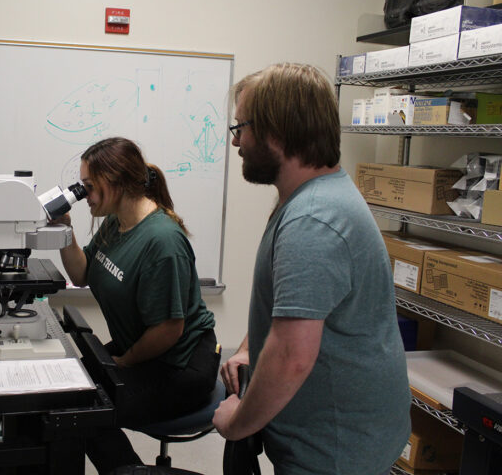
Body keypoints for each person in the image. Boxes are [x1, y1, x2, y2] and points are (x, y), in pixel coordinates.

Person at [213, 63, 411, 475]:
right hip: (336, 434)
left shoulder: (313, 221)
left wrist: (237, 422)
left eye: (241, 128)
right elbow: (293, 301)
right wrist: (251, 346)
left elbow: (291, 358)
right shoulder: (311, 197)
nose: (237, 142)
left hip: (334, 450)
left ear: (277, 133)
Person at [55, 137, 219, 474]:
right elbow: (81, 273)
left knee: (81, 411)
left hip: (180, 364)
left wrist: (124, 362)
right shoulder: (116, 222)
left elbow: (169, 329)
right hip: (144, 349)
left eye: (88, 186)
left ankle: (129, 471)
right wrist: (64, 230)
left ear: (114, 182)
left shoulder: (162, 241)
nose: (83, 194)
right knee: (65, 383)